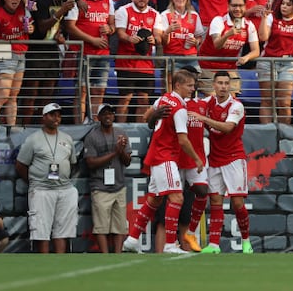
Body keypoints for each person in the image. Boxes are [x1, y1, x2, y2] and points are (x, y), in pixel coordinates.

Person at [122, 70, 203, 254]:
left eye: (193, 85)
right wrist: (197, 158)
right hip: (165, 156)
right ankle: (170, 244)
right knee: (177, 198)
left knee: (154, 200)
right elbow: (183, 140)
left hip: (157, 155)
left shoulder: (164, 99)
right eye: (189, 85)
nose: (193, 89)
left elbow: (146, 118)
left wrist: (155, 115)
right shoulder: (179, 109)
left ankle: (132, 240)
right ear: (178, 85)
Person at [189, 71, 254, 254]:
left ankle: (246, 241)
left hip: (234, 158)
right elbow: (191, 107)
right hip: (215, 159)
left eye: (226, 83)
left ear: (230, 85)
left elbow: (227, 127)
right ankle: (214, 244)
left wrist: (203, 118)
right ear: (214, 85)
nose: (224, 87)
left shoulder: (236, 106)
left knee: (237, 203)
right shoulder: (208, 103)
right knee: (215, 201)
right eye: (220, 83)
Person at [15, 103, 79, 253]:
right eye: (52, 115)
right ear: (44, 117)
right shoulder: (33, 139)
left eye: (58, 115)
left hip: (64, 188)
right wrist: (35, 181)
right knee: (41, 230)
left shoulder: (67, 138)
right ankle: (44, 262)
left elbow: (73, 163)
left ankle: (59, 262)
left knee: (63, 230)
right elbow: (20, 165)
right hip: (41, 189)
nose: (56, 118)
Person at [64, 0, 115, 123]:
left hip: (103, 54)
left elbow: (112, 25)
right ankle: (79, 126)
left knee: (99, 91)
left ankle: (95, 124)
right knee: (82, 91)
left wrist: (109, 29)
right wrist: (92, 40)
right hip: (83, 53)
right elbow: (70, 27)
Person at [83, 103, 132, 253]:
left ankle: (117, 255)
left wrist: (121, 151)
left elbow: (127, 161)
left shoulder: (121, 133)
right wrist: (114, 153)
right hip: (100, 186)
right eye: (104, 114)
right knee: (101, 226)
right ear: (98, 117)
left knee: (120, 225)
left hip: (118, 185)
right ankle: (105, 255)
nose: (108, 116)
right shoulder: (92, 136)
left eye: (110, 113)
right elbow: (90, 163)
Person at [0, 0, 34, 126]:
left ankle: (11, 129)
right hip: (2, 50)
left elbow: (31, 5)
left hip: (21, 53)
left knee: (13, 97)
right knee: (2, 95)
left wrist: (31, 28)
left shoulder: (23, 11)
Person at [197, 0, 260, 96]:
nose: (237, 9)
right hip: (208, 66)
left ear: (245, 7)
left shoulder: (249, 25)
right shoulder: (218, 21)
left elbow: (256, 51)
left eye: (240, 6)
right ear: (228, 6)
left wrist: (246, 57)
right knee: (214, 98)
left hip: (230, 68)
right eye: (234, 6)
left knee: (231, 100)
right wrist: (227, 35)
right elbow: (217, 45)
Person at [114, 0, 160, 123]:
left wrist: (154, 39)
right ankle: (121, 129)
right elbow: (120, 33)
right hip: (126, 64)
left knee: (144, 99)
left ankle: (140, 129)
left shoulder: (155, 14)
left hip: (146, 65)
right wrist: (129, 38)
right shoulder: (123, 11)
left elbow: (159, 36)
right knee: (125, 98)